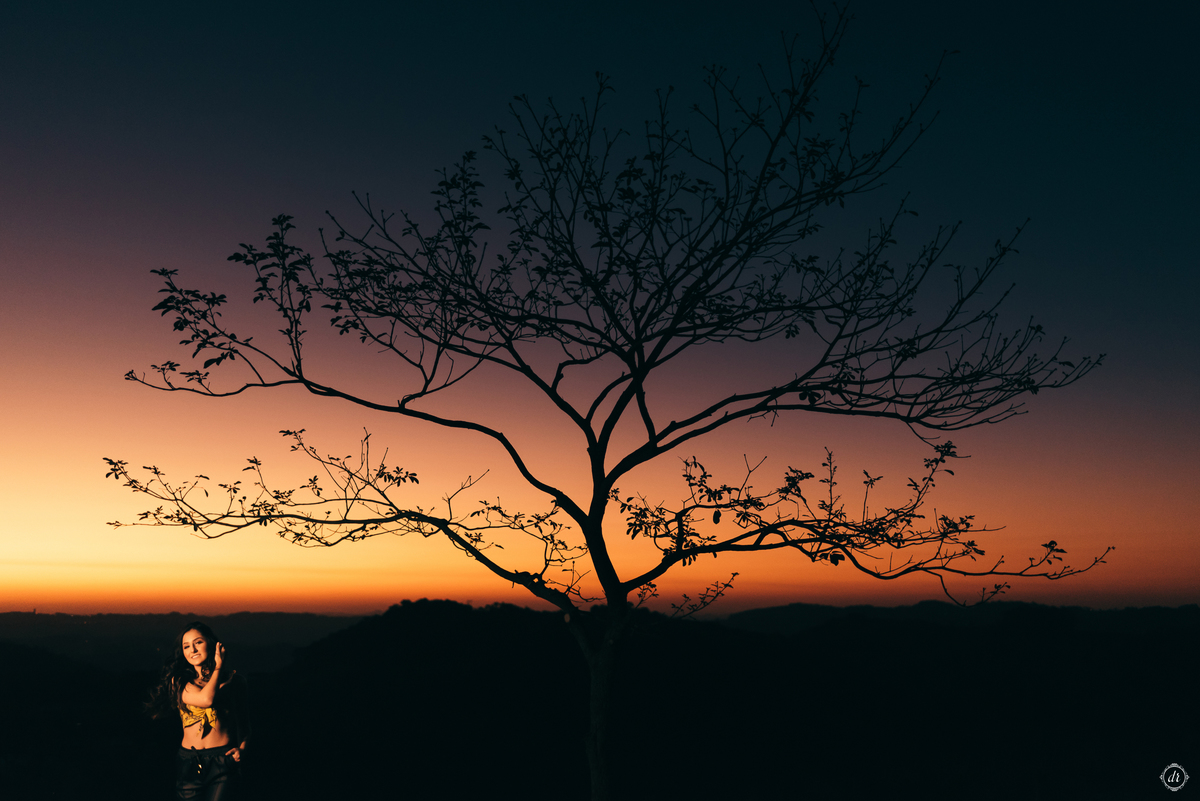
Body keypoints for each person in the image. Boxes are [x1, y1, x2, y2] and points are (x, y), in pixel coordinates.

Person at [147, 621, 251, 800]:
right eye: (186, 646)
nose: (192, 650)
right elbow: (206, 700)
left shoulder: (236, 682)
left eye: (198, 642)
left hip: (223, 759)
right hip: (188, 762)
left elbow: (244, 722)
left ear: (211, 643)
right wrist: (218, 667)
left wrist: (243, 749)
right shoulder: (180, 682)